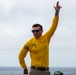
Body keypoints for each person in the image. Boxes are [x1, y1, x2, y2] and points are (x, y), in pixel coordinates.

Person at [18, 1, 61, 75]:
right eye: (33, 31)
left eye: (37, 31)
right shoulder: (29, 42)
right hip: (35, 71)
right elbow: (20, 56)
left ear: (41, 31)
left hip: (46, 71)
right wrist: (24, 68)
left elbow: (53, 26)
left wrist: (56, 13)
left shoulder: (46, 37)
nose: (35, 32)